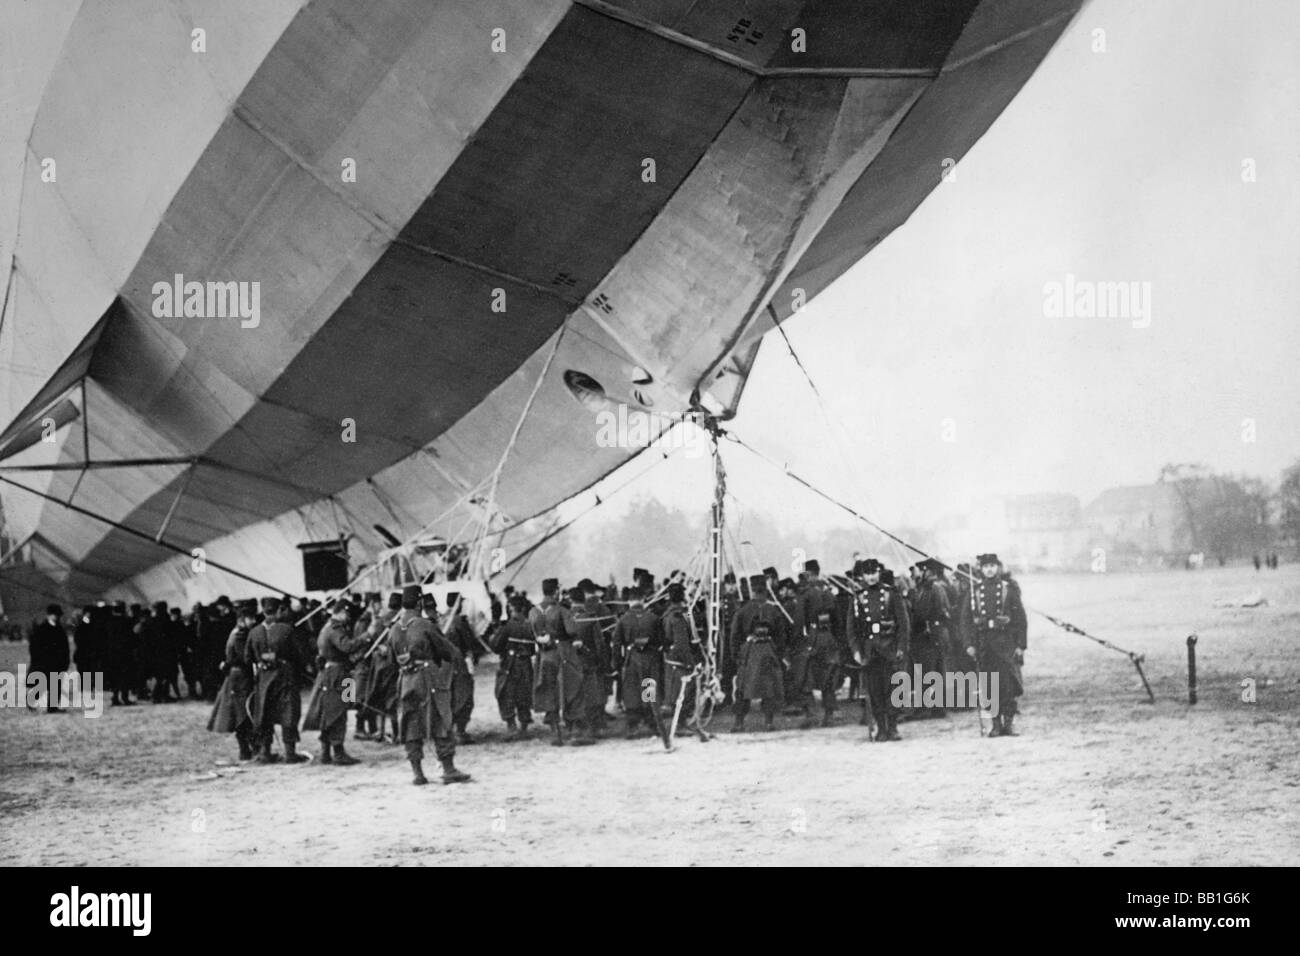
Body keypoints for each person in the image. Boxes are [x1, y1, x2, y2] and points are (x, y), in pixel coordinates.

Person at [391, 585, 470, 785]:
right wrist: (456, 657)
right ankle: (448, 768)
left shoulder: (394, 628)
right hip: (427, 679)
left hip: (406, 680)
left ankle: (417, 773)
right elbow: (446, 650)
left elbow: (394, 658)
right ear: (419, 603)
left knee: (410, 723)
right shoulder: (424, 625)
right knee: (439, 718)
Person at [959, 553, 1027, 737]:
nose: (989, 569)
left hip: (1006, 645)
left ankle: (1009, 724)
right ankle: (995, 724)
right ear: (980, 569)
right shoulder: (974, 591)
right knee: (989, 686)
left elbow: (1020, 619)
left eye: (992, 566)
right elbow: (965, 621)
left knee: (1008, 685)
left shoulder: (1008, 589)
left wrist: (1020, 645)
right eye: (986, 566)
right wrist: (968, 644)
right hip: (984, 646)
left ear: (998, 567)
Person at [303, 598, 369, 765]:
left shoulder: (327, 627)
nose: (348, 617)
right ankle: (338, 752)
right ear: (341, 612)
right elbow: (347, 646)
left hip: (335, 673)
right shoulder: (335, 629)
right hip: (339, 675)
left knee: (331, 711)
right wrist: (366, 637)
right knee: (339, 712)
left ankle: (326, 751)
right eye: (347, 613)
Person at [851, 558, 911, 741]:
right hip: (870, 651)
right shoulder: (858, 597)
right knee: (875, 691)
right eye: (867, 573)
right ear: (862, 575)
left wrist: (901, 647)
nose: (871, 577)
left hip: (889, 648)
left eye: (874, 573)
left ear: (879, 572)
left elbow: (903, 624)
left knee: (892, 688)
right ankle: (881, 729)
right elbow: (851, 628)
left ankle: (893, 727)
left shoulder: (890, 593)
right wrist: (856, 651)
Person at [246, 597, 307, 763]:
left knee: (264, 712)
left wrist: (263, 660)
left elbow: (248, 657)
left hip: (264, 678)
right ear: (279, 610)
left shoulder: (254, 632)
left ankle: (265, 752)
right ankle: (290, 753)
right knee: (289, 712)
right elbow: (299, 654)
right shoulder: (287, 629)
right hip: (284, 676)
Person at [207, 601, 258, 760]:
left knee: (240, 713)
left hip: (236, 676)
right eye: (250, 619)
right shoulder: (240, 635)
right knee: (243, 713)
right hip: (241, 677)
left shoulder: (235, 632)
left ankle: (247, 750)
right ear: (242, 619)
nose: (253, 622)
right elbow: (246, 658)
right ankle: (248, 749)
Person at [614, 587, 662, 738]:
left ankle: (633, 726)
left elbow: (616, 644)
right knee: (649, 688)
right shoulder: (653, 618)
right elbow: (661, 641)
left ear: (629, 600)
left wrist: (618, 663)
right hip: (649, 658)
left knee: (632, 691)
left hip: (632, 658)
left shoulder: (623, 619)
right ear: (643, 599)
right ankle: (651, 723)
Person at [906, 558, 951, 719]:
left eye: (919, 570)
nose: (916, 573)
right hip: (934, 633)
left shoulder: (932, 588)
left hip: (931, 634)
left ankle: (928, 707)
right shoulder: (929, 588)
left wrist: (911, 600)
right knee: (934, 670)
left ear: (927, 571)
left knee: (929, 670)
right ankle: (937, 707)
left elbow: (923, 612)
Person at [490, 596, 536, 739]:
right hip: (526, 664)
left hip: (510, 664)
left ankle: (512, 726)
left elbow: (496, 647)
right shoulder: (530, 626)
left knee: (505, 693)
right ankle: (524, 726)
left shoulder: (507, 626)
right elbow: (533, 649)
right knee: (524, 693)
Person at [659, 582, 699, 733]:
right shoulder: (677, 617)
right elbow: (682, 642)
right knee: (684, 691)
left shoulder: (673, 613)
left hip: (672, 657)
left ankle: (680, 723)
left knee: (677, 691)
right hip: (680, 659)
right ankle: (680, 725)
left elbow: (692, 620)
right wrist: (690, 662)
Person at [439, 592, 477, 745]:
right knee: (464, 696)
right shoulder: (460, 622)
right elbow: (470, 643)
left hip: (443, 666)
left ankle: (449, 729)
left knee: (448, 697)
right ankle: (459, 731)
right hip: (459, 664)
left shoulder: (441, 620)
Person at [29, 605, 69, 712]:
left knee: (56, 685)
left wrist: (65, 661)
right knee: (42, 685)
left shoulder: (60, 629)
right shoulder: (41, 629)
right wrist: (37, 660)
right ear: (48, 615)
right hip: (44, 662)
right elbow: (34, 647)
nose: (56, 617)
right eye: (54, 615)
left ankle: (52, 707)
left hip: (57, 662)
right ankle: (31, 700)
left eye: (57, 615)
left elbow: (65, 647)